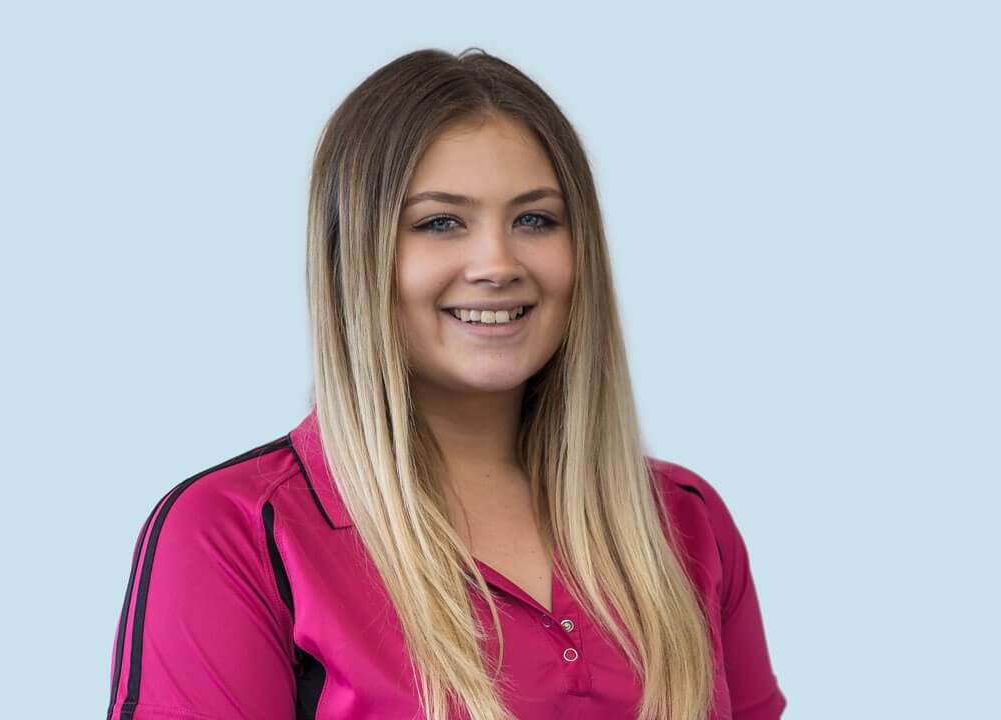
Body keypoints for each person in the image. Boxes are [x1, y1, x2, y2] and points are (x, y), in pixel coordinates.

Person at [105, 47, 786, 720]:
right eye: (440, 223)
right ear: (355, 256)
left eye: (535, 219)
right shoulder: (232, 533)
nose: (497, 263)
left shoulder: (688, 522)